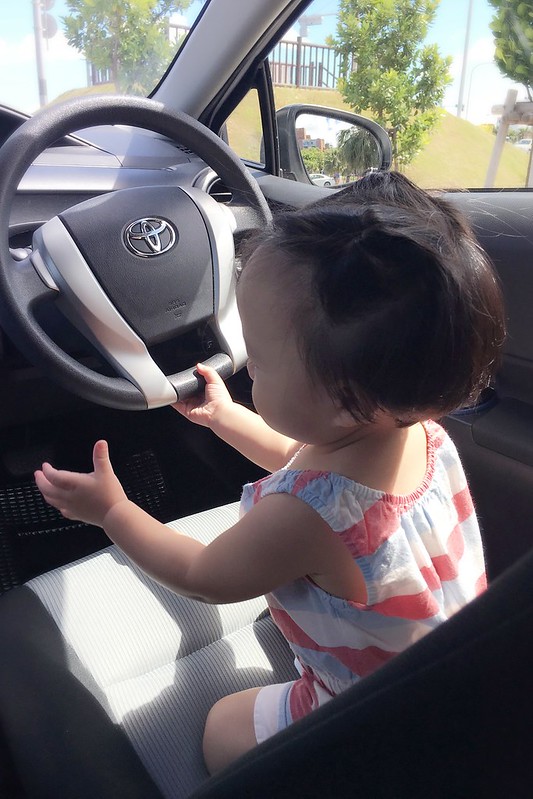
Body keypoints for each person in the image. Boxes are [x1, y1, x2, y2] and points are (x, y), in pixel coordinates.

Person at [34, 171, 505, 776]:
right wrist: (228, 419)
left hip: (368, 712)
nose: (245, 367)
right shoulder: (416, 433)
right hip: (442, 669)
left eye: (256, 359)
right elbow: (301, 461)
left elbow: (202, 575)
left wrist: (112, 512)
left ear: (342, 400)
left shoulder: (303, 518)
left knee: (223, 728)